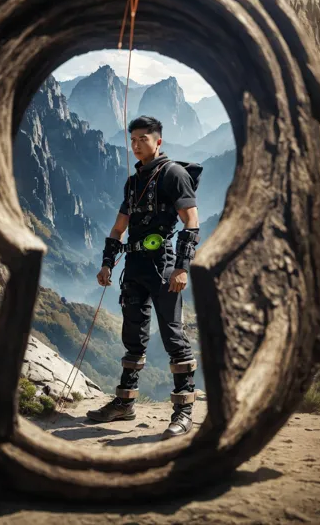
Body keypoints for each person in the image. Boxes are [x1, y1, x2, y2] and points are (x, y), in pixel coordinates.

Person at [86, 116, 202, 440]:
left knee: (173, 336)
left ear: (158, 141)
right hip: (134, 265)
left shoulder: (174, 175)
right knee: (133, 334)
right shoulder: (133, 181)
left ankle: (184, 411)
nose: (136, 144)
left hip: (163, 264)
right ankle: (125, 403)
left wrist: (181, 268)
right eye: (133, 139)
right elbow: (118, 226)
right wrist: (107, 263)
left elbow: (191, 222)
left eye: (143, 139)